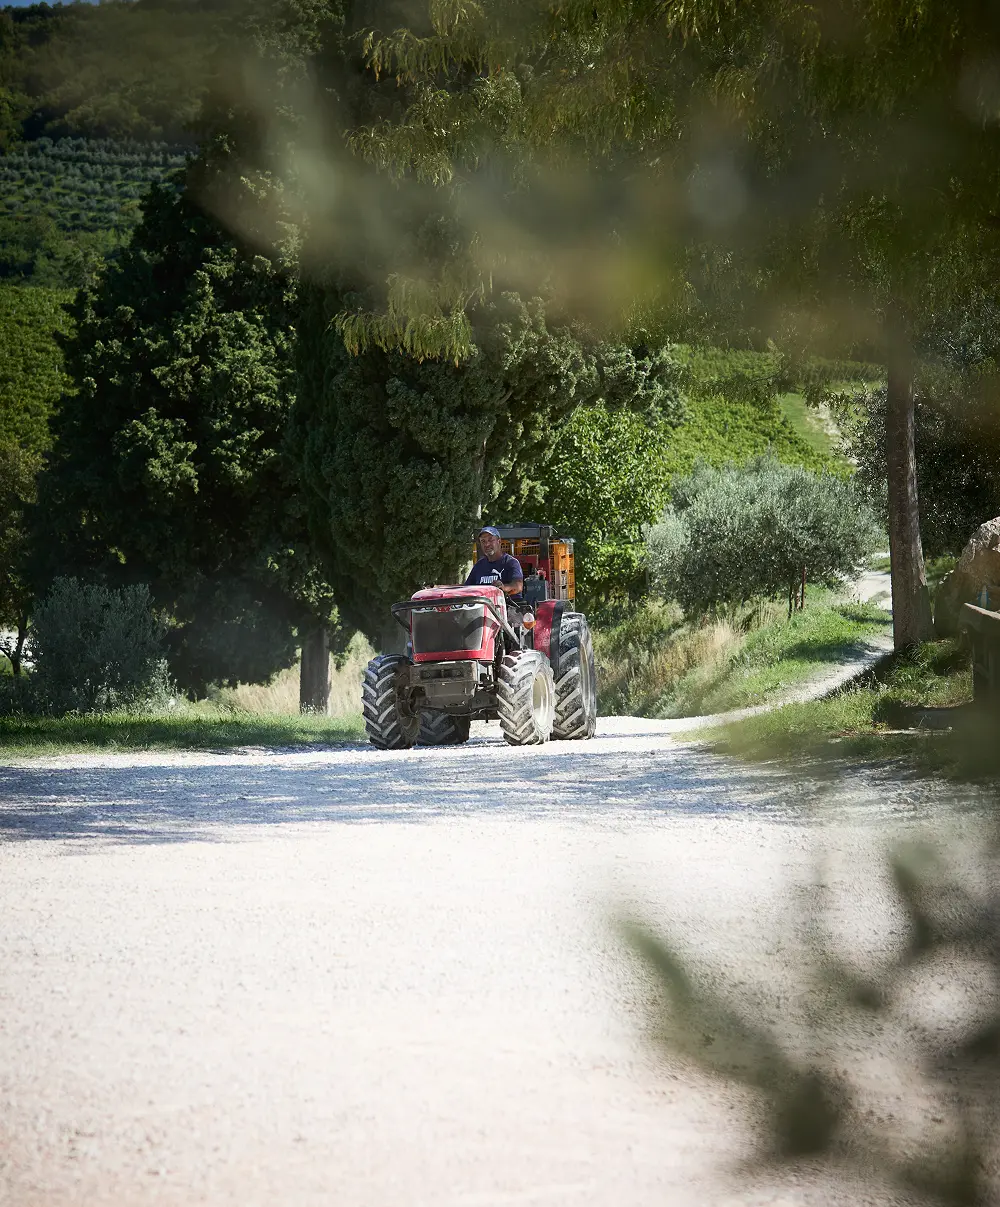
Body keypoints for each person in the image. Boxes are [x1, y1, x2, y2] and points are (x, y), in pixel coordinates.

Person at [466, 526, 524, 600]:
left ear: (499, 541)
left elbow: (518, 586)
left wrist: (504, 588)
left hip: (507, 608)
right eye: (483, 541)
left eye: (490, 540)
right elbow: (467, 587)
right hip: (482, 608)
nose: (487, 544)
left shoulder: (511, 562)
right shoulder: (479, 565)